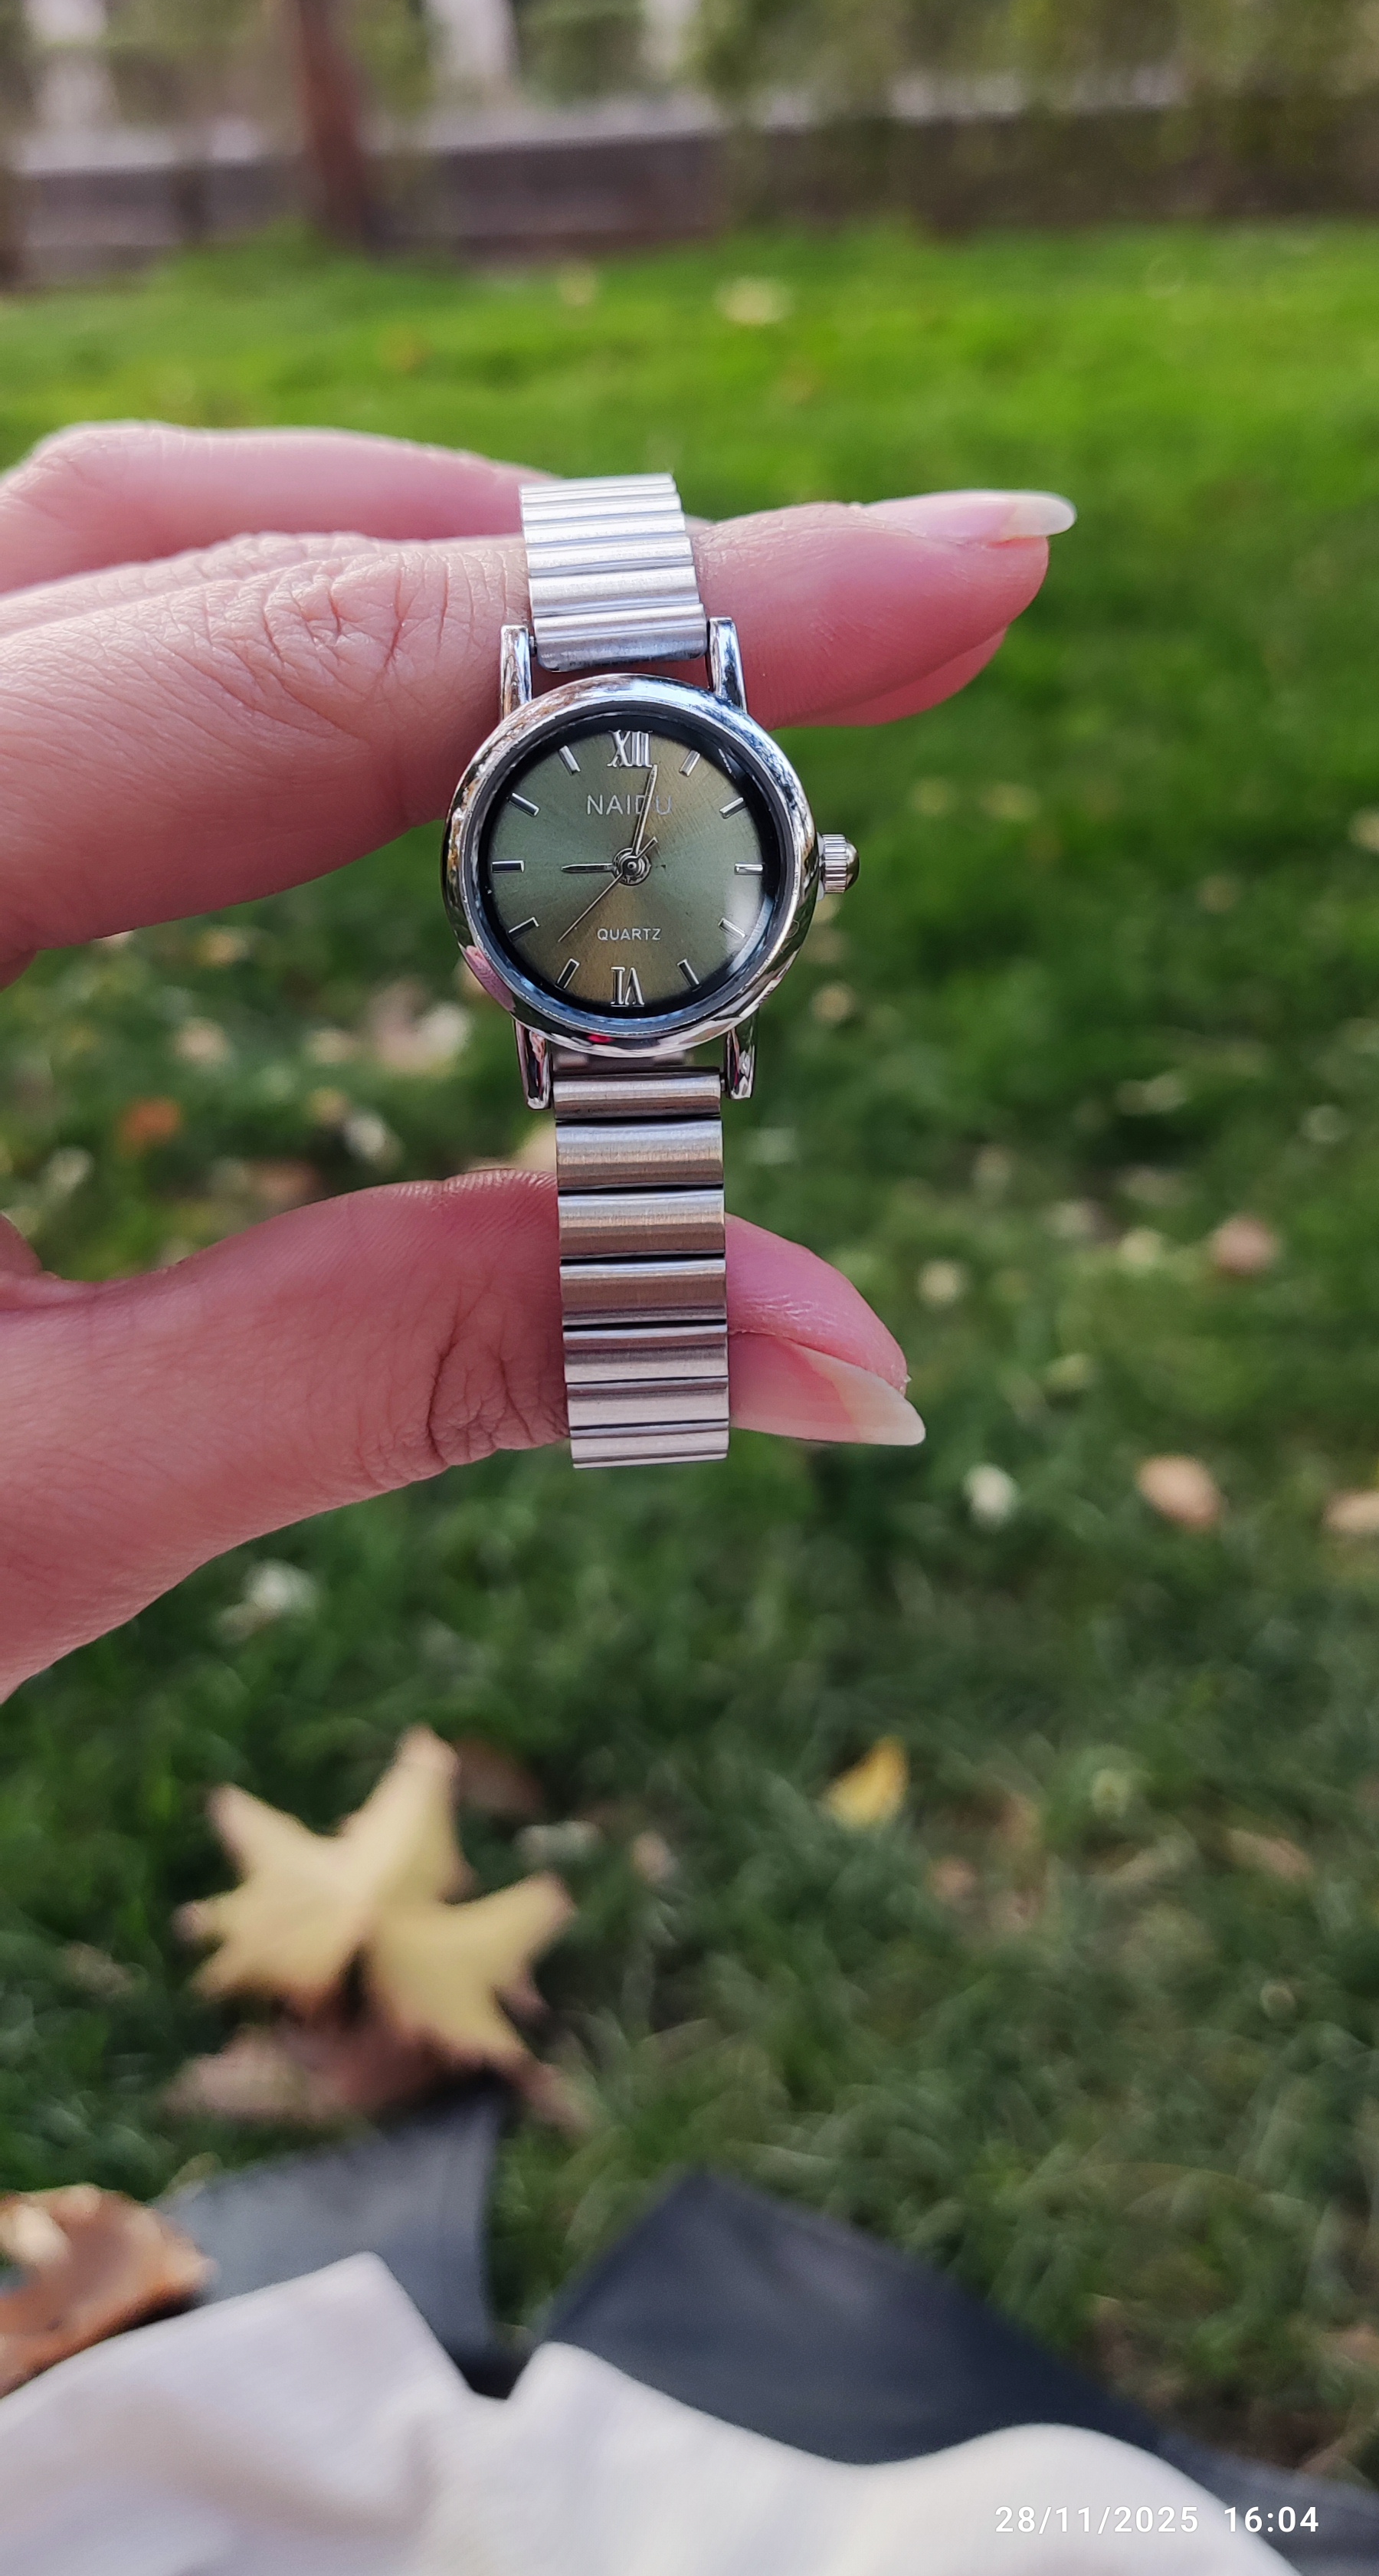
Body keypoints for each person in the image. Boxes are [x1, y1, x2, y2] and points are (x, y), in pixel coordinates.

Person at [0, 424, 1071, 1697]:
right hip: (633, 996)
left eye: (663, 858)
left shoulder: (653, 774)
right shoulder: (681, 766)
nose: (636, 867)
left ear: (808, 871)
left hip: (634, 999)